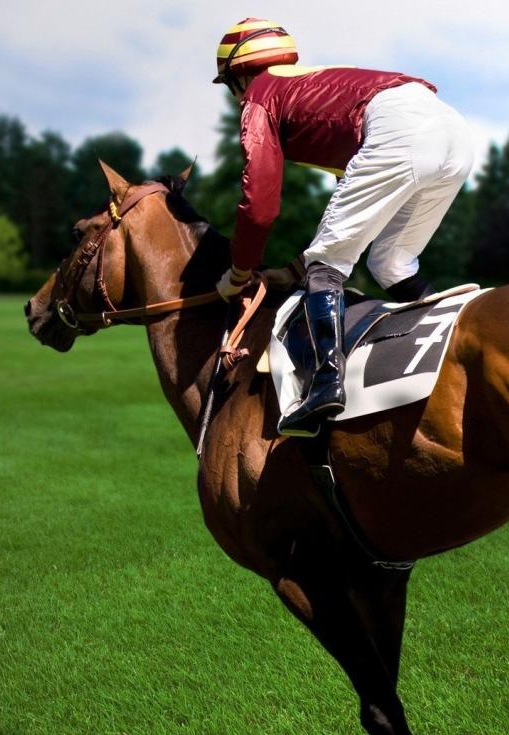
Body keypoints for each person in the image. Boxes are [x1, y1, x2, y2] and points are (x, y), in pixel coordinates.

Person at [212, 17, 474, 436]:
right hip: (454, 131)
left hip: (397, 131)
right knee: (391, 263)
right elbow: (351, 212)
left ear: (238, 76)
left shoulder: (260, 95)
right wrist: (295, 269)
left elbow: (259, 202)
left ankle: (326, 385)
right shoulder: (318, 83)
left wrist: (239, 272)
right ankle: (457, 344)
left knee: (327, 266)